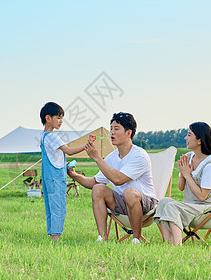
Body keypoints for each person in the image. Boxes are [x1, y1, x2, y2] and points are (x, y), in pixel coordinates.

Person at [67, 112, 158, 245]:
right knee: (98, 189)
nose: (111, 133)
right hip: (122, 203)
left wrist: (97, 158)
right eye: (111, 129)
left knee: (130, 193)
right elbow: (94, 182)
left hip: (146, 204)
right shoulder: (112, 157)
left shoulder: (139, 155)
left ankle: (136, 240)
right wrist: (74, 175)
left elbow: (118, 179)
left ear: (128, 133)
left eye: (116, 129)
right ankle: (102, 239)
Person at [153, 122, 211, 246]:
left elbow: (203, 196)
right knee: (164, 202)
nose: (186, 138)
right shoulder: (189, 157)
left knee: (172, 206)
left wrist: (187, 175)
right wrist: (183, 173)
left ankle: (177, 246)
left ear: (199, 140)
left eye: (189, 135)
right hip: (192, 206)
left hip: (208, 210)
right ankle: (168, 243)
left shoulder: (210, 165)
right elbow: (181, 188)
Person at [39, 102, 87, 242]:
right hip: (55, 178)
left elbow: (54, 157)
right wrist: (87, 145)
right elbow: (69, 151)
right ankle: (56, 238)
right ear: (48, 118)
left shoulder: (44, 136)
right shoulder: (52, 136)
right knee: (59, 208)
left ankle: (53, 235)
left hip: (49, 177)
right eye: (58, 118)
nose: (61, 121)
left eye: (62, 118)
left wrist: (64, 164)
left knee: (51, 207)